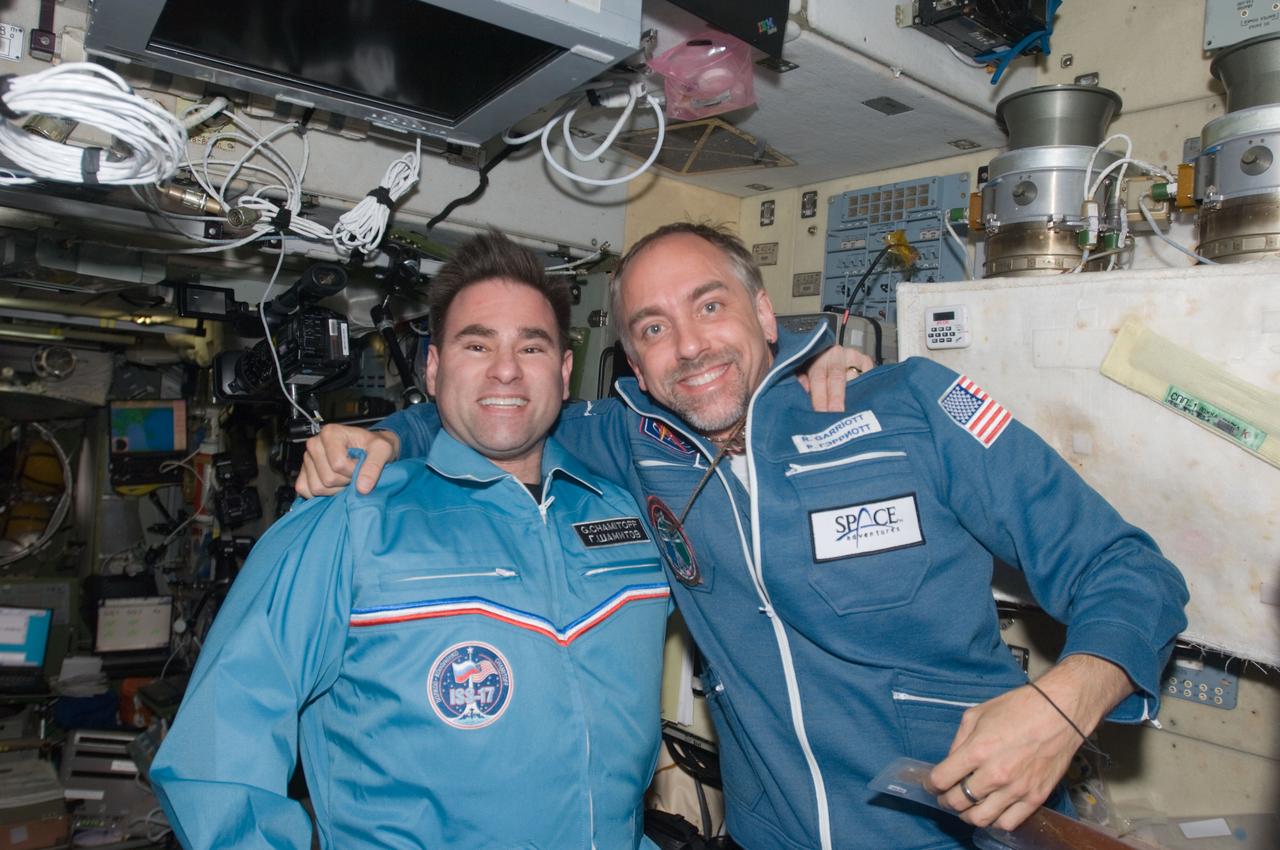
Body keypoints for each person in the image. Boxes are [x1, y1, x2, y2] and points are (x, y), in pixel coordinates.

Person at [299, 223, 1190, 850]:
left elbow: (1130, 571)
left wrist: (1065, 704)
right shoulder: (630, 442)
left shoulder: (911, 406)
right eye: (653, 329)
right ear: (633, 363)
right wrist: (385, 435)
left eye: (710, 306)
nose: (688, 346)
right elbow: (496, 409)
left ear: (764, 313)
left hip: (972, 831)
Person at [151, 232, 675, 850]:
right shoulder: (351, 522)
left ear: (564, 373)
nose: (505, 368)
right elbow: (217, 756)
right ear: (432, 369)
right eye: (476, 344)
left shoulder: (631, 520)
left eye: (530, 346)